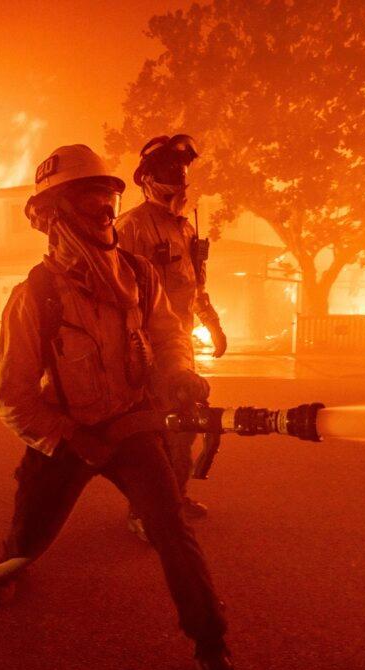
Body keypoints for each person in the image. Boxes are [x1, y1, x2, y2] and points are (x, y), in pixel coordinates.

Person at [0, 143, 247, 670]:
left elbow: (169, 334)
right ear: (53, 214)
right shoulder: (36, 296)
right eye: (90, 200)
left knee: (173, 533)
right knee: (29, 534)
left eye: (108, 200)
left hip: (130, 427)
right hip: (67, 433)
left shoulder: (137, 274)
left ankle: (214, 654)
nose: (106, 212)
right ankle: (7, 571)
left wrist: (179, 374)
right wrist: (72, 440)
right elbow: (11, 397)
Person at [115, 134, 227, 532]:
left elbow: (195, 284)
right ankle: (143, 512)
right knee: (155, 436)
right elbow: (118, 295)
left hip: (181, 347)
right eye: (168, 171)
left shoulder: (184, 229)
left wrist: (212, 324)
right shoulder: (129, 228)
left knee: (186, 426)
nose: (178, 178)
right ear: (146, 178)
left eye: (181, 171)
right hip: (147, 350)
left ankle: (174, 498)